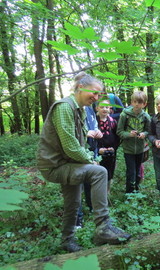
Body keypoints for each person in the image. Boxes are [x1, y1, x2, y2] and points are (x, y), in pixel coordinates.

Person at [36, 72, 131, 253]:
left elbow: (78, 142)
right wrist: (91, 160)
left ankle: (67, 240)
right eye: (94, 93)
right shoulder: (64, 107)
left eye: (98, 95)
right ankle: (103, 227)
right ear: (80, 87)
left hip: (66, 163)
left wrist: (88, 157)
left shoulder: (79, 109)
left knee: (73, 202)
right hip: (55, 165)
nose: (96, 98)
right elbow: (71, 146)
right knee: (100, 172)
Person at [117, 91, 151, 193]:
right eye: (135, 102)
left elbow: (149, 131)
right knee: (131, 172)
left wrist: (144, 134)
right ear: (131, 102)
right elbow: (119, 131)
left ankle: (136, 191)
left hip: (140, 149)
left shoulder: (146, 117)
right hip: (128, 149)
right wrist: (129, 134)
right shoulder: (124, 115)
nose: (137, 104)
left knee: (138, 173)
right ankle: (129, 194)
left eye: (140, 102)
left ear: (144, 104)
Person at [76, 106, 103, 228]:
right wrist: (86, 133)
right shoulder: (70, 108)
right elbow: (68, 133)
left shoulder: (90, 109)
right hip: (77, 154)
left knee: (90, 183)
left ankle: (92, 208)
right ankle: (77, 220)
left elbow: (94, 124)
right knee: (76, 187)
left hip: (92, 151)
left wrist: (97, 131)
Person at [96, 99, 121, 194]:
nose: (104, 109)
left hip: (111, 152)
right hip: (98, 152)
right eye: (102, 107)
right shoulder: (94, 122)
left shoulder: (113, 122)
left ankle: (107, 191)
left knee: (110, 170)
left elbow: (117, 137)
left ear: (110, 109)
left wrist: (114, 148)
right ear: (97, 108)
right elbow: (90, 140)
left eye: (106, 107)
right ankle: (99, 191)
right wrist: (98, 150)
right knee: (98, 171)